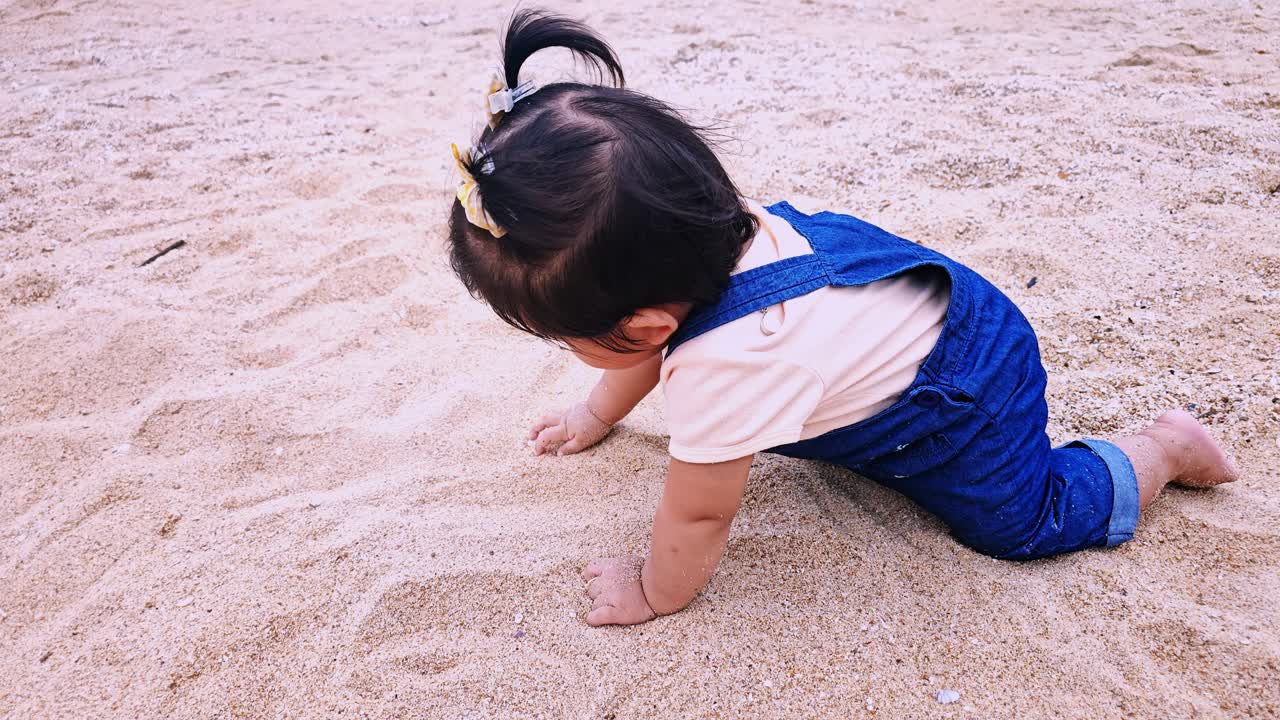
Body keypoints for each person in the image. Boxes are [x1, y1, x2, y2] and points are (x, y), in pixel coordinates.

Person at [445, 9, 1238, 627]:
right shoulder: (694, 234)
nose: (565, 346)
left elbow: (700, 511)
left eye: (559, 335)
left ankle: (1161, 450)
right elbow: (642, 348)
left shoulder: (730, 362)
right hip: (908, 306)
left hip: (964, 392)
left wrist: (654, 590)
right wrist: (593, 411)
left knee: (1020, 523)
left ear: (649, 324)